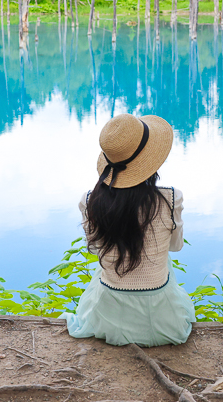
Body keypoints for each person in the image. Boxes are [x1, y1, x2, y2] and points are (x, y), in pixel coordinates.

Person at [62, 113, 196, 347]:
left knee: (105, 273)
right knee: (163, 265)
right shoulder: (171, 198)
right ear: (152, 161)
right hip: (163, 318)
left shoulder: (91, 200)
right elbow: (176, 247)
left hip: (108, 314)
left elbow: (95, 250)